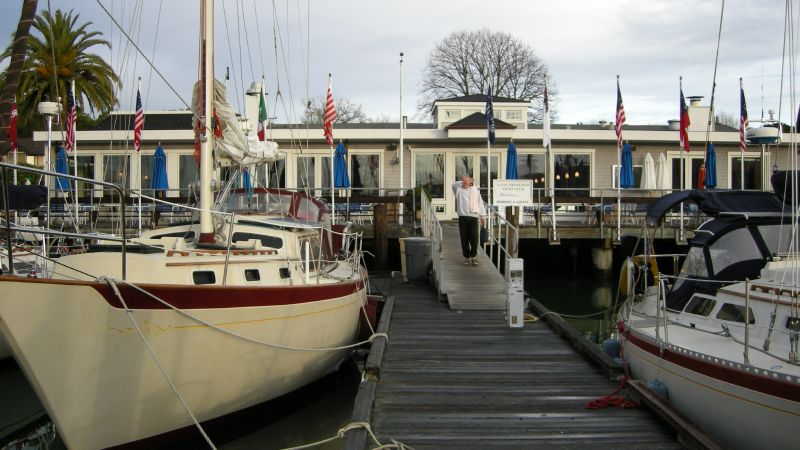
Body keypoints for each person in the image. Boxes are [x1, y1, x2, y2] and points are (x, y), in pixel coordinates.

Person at [452, 175, 486, 266]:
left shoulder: (475, 190)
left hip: (474, 216)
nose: (468, 182)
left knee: (474, 237)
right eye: (465, 180)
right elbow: (453, 185)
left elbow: (480, 203)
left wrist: (482, 216)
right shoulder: (458, 190)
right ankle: (466, 257)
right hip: (463, 217)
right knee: (464, 238)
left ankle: (473, 256)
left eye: (469, 180)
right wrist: (462, 181)